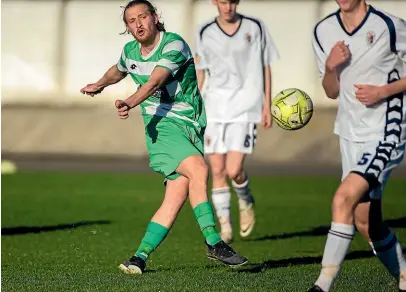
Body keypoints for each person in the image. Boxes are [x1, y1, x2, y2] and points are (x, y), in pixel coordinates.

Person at [80, 0, 248, 275]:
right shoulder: (130, 51)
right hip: (161, 126)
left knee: (176, 196)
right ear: (127, 28)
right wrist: (100, 84)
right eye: (131, 21)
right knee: (199, 170)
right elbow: (119, 69)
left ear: (155, 17)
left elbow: (155, 80)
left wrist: (130, 100)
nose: (138, 24)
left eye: (142, 17)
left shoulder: (174, 45)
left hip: (190, 125)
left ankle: (139, 257)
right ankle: (213, 241)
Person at [309, 0, 406, 291]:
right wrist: (330, 67)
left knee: (343, 198)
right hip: (350, 132)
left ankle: (322, 285)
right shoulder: (322, 30)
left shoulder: (389, 25)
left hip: (385, 130)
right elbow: (331, 90)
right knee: (366, 222)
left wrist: (384, 91)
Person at [194, 0, 279, 243]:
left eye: (232, 2)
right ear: (214, 3)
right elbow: (201, 71)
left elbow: (266, 66)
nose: (228, 7)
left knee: (233, 170)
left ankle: (245, 197)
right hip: (214, 107)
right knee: (217, 170)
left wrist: (266, 105)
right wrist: (195, 106)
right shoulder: (204, 31)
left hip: (245, 108)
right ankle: (225, 228)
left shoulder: (255, 27)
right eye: (223, 2)